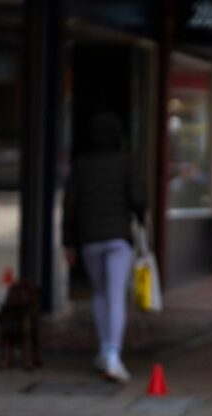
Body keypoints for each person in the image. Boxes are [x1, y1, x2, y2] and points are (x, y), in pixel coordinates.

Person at [62, 111, 145, 383]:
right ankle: (112, 354)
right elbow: (138, 199)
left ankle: (103, 349)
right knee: (116, 294)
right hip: (118, 237)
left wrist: (68, 242)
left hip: (89, 238)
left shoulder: (82, 165)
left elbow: (70, 206)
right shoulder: (125, 163)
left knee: (99, 293)